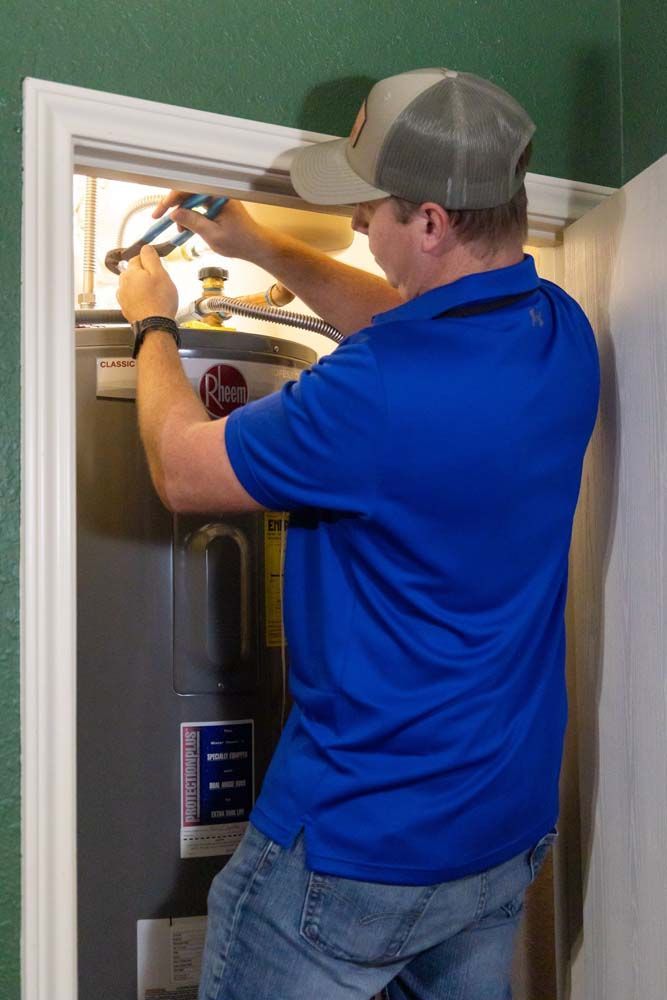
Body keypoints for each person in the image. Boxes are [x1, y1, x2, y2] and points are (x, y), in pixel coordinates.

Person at [117, 68, 599, 1000]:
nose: (352, 226)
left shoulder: (370, 392)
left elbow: (181, 470)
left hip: (357, 842)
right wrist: (255, 244)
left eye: (370, 209)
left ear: (429, 223)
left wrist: (153, 323)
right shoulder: (555, 330)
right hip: (500, 827)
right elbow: (407, 327)